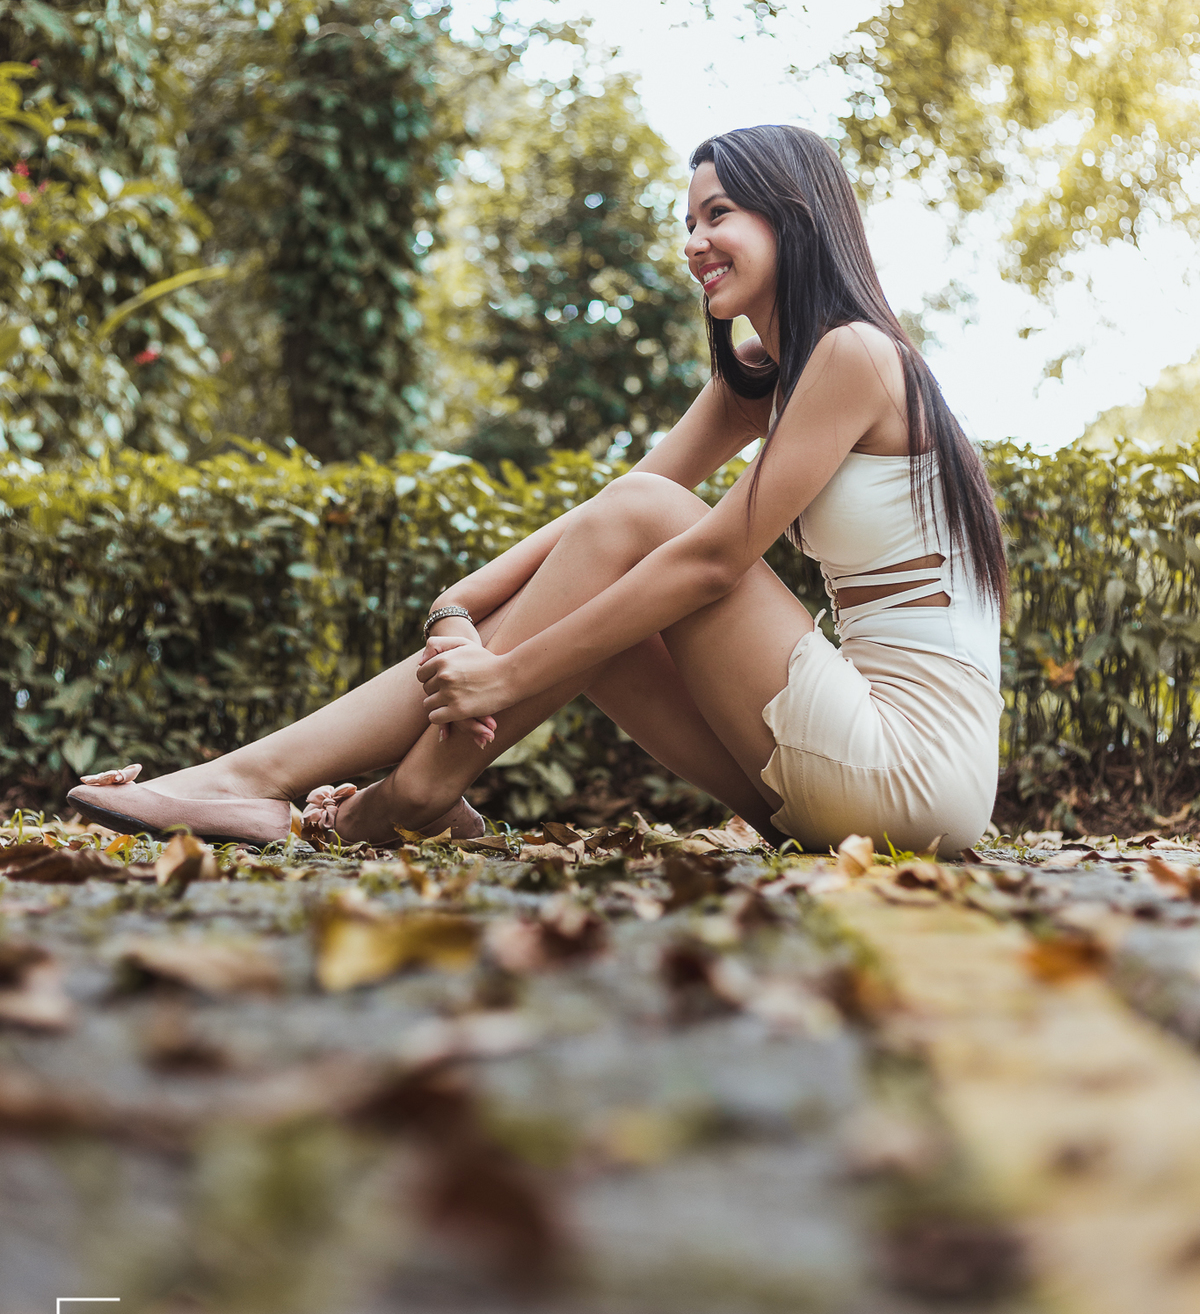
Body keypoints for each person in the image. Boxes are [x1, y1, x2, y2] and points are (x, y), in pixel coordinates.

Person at [69, 124, 1006, 857]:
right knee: (622, 562)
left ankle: (401, 796)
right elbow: (619, 506)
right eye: (688, 222)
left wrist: (506, 672)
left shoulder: (855, 355)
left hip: (908, 772)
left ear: (794, 217)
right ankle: (256, 777)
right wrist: (463, 601)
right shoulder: (766, 375)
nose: (695, 242)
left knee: (658, 534)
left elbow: (713, 556)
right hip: (837, 786)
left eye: (718, 214)